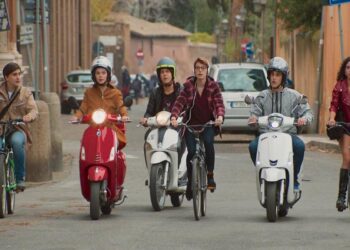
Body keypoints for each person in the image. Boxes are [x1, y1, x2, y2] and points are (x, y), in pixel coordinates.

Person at [248, 57, 313, 191]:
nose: (274, 78)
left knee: (300, 146)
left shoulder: (295, 96)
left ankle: (294, 178)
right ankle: (262, 173)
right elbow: (254, 113)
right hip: (266, 135)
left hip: (288, 135)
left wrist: (304, 119)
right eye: (271, 74)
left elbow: (308, 112)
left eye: (277, 75)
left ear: (283, 77)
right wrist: (253, 119)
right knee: (253, 147)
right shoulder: (262, 96)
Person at [170, 57, 225, 200]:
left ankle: (210, 175)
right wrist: (174, 117)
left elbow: (219, 104)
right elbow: (179, 103)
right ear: (194, 70)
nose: (200, 71)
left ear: (207, 70)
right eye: (197, 68)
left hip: (208, 124)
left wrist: (219, 117)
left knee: (208, 142)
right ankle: (189, 183)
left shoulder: (213, 86)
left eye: (203, 68)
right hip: (190, 124)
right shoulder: (188, 86)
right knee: (191, 152)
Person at [71, 56, 129, 149]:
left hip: (110, 128)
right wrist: (76, 116)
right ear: (94, 75)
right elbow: (83, 108)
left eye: (103, 73)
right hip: (93, 128)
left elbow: (121, 106)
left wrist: (124, 115)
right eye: (97, 73)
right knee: (85, 147)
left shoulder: (115, 93)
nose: (100, 75)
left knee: (114, 146)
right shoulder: (89, 92)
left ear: (108, 74)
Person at [0, 62, 38, 191]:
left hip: (17, 128)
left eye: (19, 74)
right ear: (6, 77)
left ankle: (19, 178)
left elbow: (33, 109)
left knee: (17, 143)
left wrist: (29, 116)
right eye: (14, 74)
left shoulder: (25, 92)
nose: (18, 77)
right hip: (1, 129)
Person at [327, 56, 350, 212]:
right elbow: (334, 105)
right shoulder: (340, 86)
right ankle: (341, 196)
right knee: (347, 158)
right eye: (348, 67)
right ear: (344, 70)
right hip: (345, 126)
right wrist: (331, 119)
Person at [140, 57, 182, 125]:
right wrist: (145, 118)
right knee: (147, 135)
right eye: (162, 72)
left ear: (173, 73)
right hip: (158, 127)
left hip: (177, 128)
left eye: (167, 71)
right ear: (159, 75)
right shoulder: (155, 93)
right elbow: (149, 112)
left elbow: (187, 113)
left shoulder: (181, 92)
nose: (164, 74)